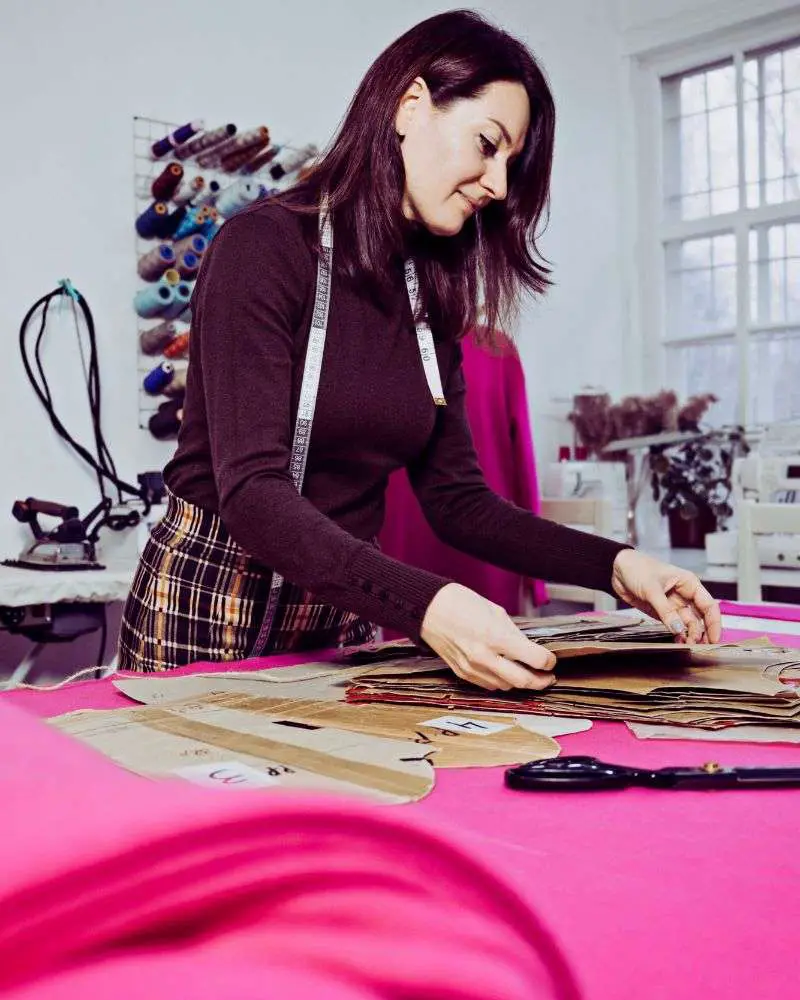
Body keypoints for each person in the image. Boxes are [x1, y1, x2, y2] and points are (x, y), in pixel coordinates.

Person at [119, 9, 721, 687]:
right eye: (487, 144)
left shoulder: (426, 295)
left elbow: (459, 499)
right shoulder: (262, 249)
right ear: (411, 106)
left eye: (510, 164)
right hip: (209, 604)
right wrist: (428, 604)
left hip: (340, 609)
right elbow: (252, 492)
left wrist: (619, 566)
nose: (497, 185)